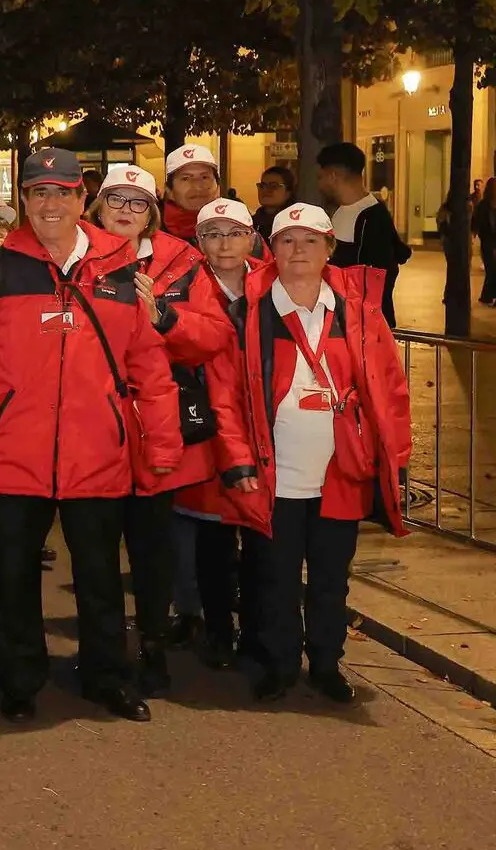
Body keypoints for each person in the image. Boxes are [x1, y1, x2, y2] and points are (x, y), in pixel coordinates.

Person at [0, 147, 183, 725]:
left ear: (83, 198)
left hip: (96, 450)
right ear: (24, 199)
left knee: (100, 574)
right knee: (12, 574)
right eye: (38, 192)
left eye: (63, 192)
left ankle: (107, 677)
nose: (51, 203)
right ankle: (19, 676)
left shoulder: (123, 270)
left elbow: (148, 363)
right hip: (12, 451)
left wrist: (164, 445)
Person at [208, 203, 410, 704]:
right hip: (275, 473)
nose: (298, 251)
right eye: (287, 241)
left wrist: (396, 460)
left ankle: (325, 663)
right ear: (270, 250)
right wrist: (238, 462)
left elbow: (391, 388)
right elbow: (226, 396)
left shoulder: (359, 314)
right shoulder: (248, 314)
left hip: (341, 471)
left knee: (329, 580)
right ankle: (278, 664)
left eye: (310, 240)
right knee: (274, 578)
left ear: (329, 249)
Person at [89, 164, 235, 698]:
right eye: (115, 201)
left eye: (137, 202)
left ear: (153, 212)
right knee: (96, 551)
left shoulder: (184, 264)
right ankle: (101, 651)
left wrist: (163, 320)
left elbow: (215, 336)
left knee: (152, 550)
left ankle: (152, 647)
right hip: (92, 427)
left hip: (156, 427)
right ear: (98, 208)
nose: (125, 211)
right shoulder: (72, 261)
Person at [172, 197, 268, 669]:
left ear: (252, 237)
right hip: (208, 425)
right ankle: (217, 631)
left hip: (267, 426)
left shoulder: (276, 284)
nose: (224, 243)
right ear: (199, 242)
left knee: (261, 542)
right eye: (212, 233)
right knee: (212, 541)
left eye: (233, 232)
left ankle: (255, 629)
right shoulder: (184, 288)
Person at [316, 142, 409, 328]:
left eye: (321, 177)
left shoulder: (372, 216)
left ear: (333, 176)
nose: (318, 184)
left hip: (365, 327)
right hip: (342, 321)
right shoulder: (339, 210)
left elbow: (382, 275)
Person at [160, 144, 222, 246]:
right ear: (169, 191)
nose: (197, 186)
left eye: (205, 177)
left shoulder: (242, 232)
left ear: (218, 186)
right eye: (186, 178)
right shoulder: (148, 236)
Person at [253, 165, 298, 237]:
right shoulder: (251, 223)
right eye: (262, 186)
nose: (265, 190)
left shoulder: (296, 224)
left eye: (273, 186)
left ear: (288, 192)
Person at [476, 180, 496, 306]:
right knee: (492, 269)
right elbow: (481, 225)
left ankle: (487, 296)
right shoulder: (483, 206)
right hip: (488, 242)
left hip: (492, 241)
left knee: (493, 270)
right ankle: (487, 296)